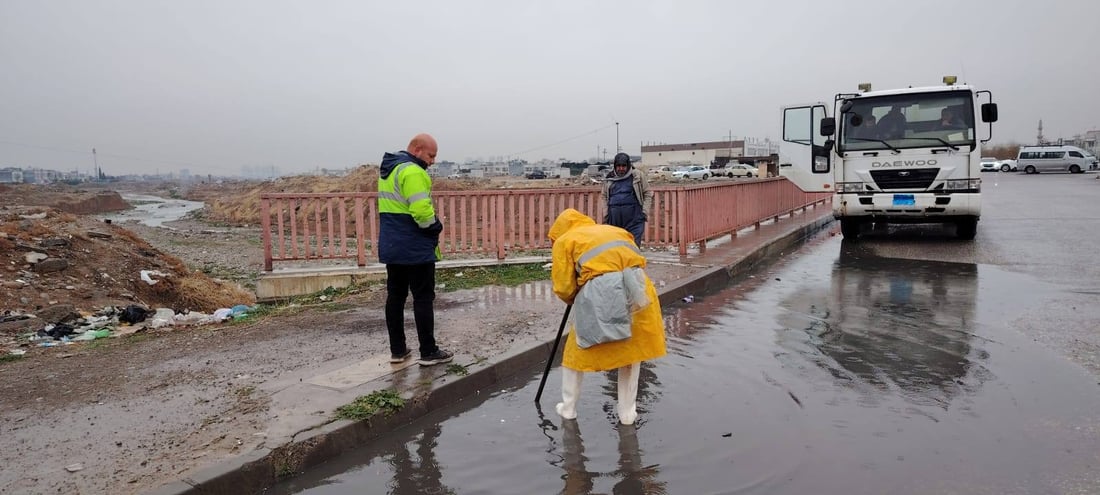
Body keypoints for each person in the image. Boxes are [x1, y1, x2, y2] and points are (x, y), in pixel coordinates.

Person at [548, 208, 667, 425]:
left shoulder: (565, 241)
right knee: (632, 350)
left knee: (577, 351)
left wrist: (574, 297)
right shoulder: (615, 230)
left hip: (602, 292)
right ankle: (628, 414)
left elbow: (564, 286)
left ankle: (568, 408)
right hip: (639, 289)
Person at [377, 133, 453, 366]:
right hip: (414, 247)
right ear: (417, 150)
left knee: (396, 297)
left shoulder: (390, 171)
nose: (432, 161)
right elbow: (421, 212)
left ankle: (398, 350)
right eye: (431, 155)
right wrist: (435, 227)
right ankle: (428, 352)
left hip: (393, 245)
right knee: (423, 298)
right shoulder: (413, 171)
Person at [601, 153, 653, 247]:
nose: (621, 168)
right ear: (615, 166)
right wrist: (606, 213)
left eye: (624, 166)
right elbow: (604, 196)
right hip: (614, 220)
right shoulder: (609, 178)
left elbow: (647, 193)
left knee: (633, 247)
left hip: (634, 220)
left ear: (628, 165)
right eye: (618, 166)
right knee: (616, 248)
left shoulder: (637, 176)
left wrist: (644, 212)